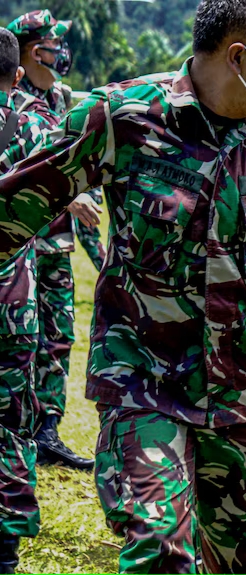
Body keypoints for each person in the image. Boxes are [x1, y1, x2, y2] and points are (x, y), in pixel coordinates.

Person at [0, 0, 246, 572]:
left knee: (242, 558)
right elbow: (16, 206)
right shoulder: (123, 116)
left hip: (241, 397)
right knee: (160, 550)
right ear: (239, 57)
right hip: (142, 384)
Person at [7, 10, 105, 470]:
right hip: (22, 244)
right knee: (21, 338)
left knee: (58, 337)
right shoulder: (12, 103)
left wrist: (100, 254)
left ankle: (47, 430)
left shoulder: (60, 100)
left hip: (58, 243)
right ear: (33, 52)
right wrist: (67, 197)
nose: (60, 53)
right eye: (52, 45)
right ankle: (19, 430)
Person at [0, 27, 63, 574]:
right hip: (12, 302)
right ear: (17, 74)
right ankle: (7, 541)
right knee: (12, 422)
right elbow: (54, 204)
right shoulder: (33, 129)